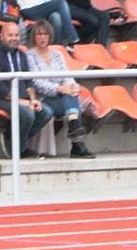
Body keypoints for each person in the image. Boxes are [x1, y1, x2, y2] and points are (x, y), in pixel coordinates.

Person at [25, 20, 95, 158]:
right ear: (34, 37)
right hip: (43, 97)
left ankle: (76, 135)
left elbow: (66, 75)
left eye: (45, 34)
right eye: (39, 34)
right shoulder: (30, 55)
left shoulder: (57, 54)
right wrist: (59, 89)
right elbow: (36, 82)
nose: (43, 37)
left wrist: (71, 86)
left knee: (72, 96)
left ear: (50, 36)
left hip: (62, 96)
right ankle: (77, 143)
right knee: (73, 103)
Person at [0, 21, 53, 158]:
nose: (14, 38)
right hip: (3, 98)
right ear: (1, 36)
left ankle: (15, 142)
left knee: (45, 112)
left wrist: (33, 99)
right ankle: (18, 149)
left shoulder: (22, 55)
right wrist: (19, 101)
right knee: (27, 114)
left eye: (17, 35)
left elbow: (28, 81)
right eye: (10, 35)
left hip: (21, 99)